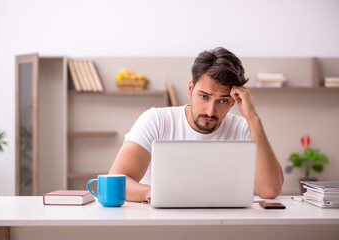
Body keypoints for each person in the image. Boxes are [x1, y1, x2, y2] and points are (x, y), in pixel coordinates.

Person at [109, 47, 284, 202]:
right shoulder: (156, 120)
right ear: (190, 89)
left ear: (233, 102)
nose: (210, 111)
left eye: (223, 101)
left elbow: (269, 190)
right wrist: (151, 192)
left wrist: (253, 118)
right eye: (204, 96)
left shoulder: (245, 129)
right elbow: (116, 181)